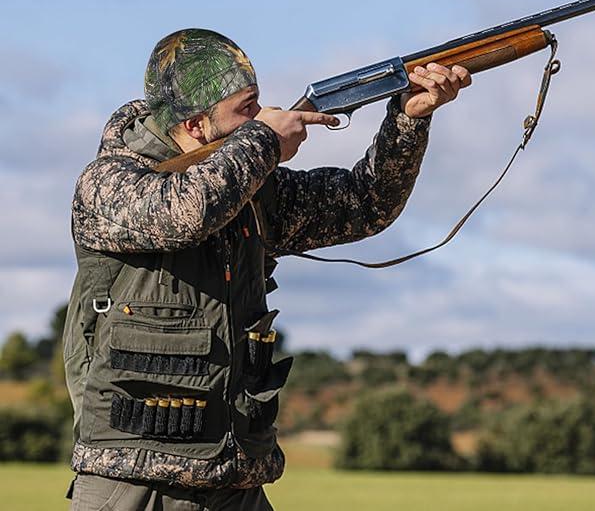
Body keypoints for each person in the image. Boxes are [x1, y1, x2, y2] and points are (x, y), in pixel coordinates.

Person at [63, 28, 471, 510]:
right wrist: (265, 142)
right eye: (246, 109)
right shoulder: (109, 183)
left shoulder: (249, 187)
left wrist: (407, 119)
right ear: (195, 126)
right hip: (134, 481)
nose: (260, 117)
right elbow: (184, 214)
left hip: (235, 478)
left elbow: (365, 204)